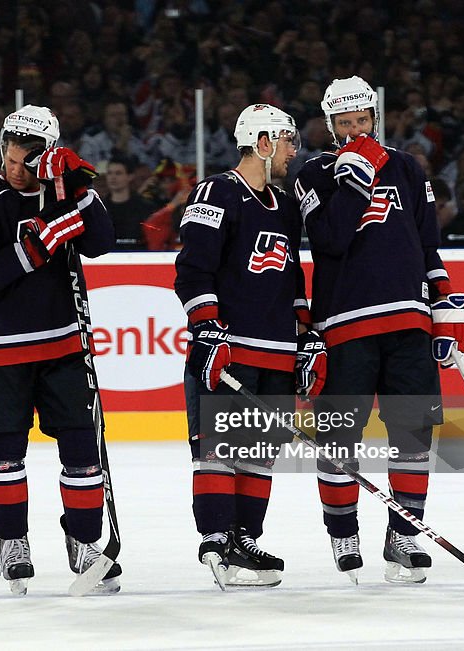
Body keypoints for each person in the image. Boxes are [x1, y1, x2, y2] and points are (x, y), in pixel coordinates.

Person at [294, 77, 464, 585]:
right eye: (344, 123)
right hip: (344, 323)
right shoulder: (314, 173)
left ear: (374, 117)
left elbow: (427, 247)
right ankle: (343, 531)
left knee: (414, 433)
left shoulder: (407, 166)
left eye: (361, 121)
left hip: (409, 320)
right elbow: (328, 239)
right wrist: (355, 175)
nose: (354, 130)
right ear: (330, 126)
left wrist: (442, 310)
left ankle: (402, 535)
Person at [0, 104, 118, 595]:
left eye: (28, 148)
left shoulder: (64, 194)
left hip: (62, 344)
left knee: (83, 451)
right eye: (9, 144)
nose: (15, 157)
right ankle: (12, 542)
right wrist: (44, 240)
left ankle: (85, 541)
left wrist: (80, 190)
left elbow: (103, 243)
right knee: (4, 455)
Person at [174, 104, 314, 589]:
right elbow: (192, 269)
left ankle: (244, 539)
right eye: (288, 141)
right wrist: (208, 327)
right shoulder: (217, 191)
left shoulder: (286, 203)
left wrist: (304, 333)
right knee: (217, 449)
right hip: (227, 349)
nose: (294, 151)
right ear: (263, 143)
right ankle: (216, 538)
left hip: (274, 352)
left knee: (258, 452)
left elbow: (291, 274)